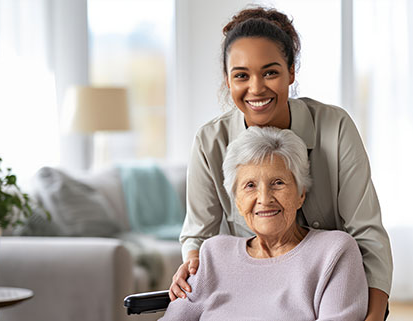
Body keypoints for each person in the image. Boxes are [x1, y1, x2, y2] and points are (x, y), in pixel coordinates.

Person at [170, 6, 393, 320]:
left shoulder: (335, 127)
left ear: (291, 71)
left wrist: (373, 315)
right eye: (241, 76)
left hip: (327, 292)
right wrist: (195, 267)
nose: (256, 88)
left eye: (270, 72)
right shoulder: (211, 141)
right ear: (227, 80)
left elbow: (367, 233)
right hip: (246, 300)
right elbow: (199, 235)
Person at [160, 126, 368, 320]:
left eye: (278, 183)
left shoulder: (334, 252)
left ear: (301, 194)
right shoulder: (214, 253)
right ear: (238, 202)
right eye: (250, 186)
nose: (264, 198)